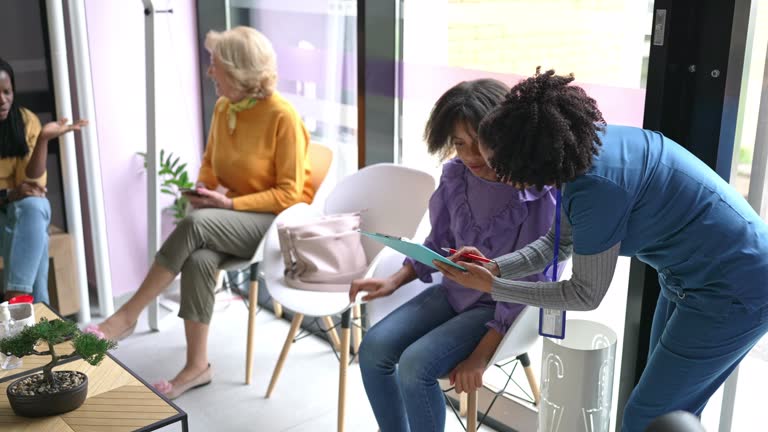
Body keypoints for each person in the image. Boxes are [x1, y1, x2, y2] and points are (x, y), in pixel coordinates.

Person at [433, 68, 768, 432]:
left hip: (733, 288)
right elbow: (557, 242)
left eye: (501, 168)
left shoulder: (597, 186)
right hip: (690, 278)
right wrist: (494, 268)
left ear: (527, 159)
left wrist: (493, 287)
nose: (500, 178)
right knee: (671, 414)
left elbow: (584, 293)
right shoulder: (580, 156)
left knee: (648, 416)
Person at [86, 26, 315, 399]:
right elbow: (211, 164)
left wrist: (230, 205)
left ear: (240, 72)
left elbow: (290, 194)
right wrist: (206, 190)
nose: (210, 72)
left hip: (273, 222)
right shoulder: (226, 108)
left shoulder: (283, 118)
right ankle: (197, 367)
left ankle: (126, 316)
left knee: (195, 225)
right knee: (201, 257)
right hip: (232, 218)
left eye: (215, 64)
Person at [349, 79, 558, 432]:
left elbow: (533, 283)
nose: (471, 156)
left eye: (479, 143)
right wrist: (393, 280)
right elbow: (439, 243)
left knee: (416, 367)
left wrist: (480, 356)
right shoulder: (456, 176)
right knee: (373, 348)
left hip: (502, 308)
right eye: (460, 144)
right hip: (454, 293)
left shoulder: (536, 193)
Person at [0, 58, 86, 304]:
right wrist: (9, 194)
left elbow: (32, 187)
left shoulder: (25, 120)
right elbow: (17, 193)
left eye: (7, 92)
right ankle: (38, 312)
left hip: (18, 213)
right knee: (31, 229)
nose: (3, 99)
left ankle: (17, 301)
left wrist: (43, 141)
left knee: (34, 208)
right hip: (7, 212)